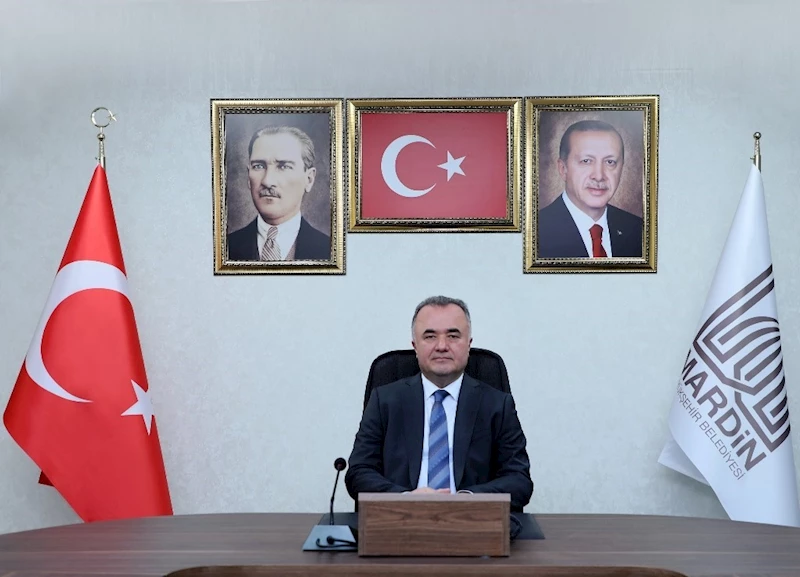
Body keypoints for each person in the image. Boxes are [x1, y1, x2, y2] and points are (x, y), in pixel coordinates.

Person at [345, 296, 533, 512]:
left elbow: (519, 480)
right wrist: (405, 499)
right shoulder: (384, 401)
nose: (442, 346)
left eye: (453, 336)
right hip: (400, 520)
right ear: (415, 346)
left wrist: (466, 500)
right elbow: (359, 473)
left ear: (469, 344)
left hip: (473, 521)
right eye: (430, 336)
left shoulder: (497, 405)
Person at [538, 120, 642, 258]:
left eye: (610, 162)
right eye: (586, 161)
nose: (599, 176)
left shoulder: (638, 230)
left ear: (622, 168)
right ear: (563, 169)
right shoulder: (536, 232)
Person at [227, 125, 331, 261]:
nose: (267, 181)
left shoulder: (329, 250)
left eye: (284, 166)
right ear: (248, 176)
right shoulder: (225, 248)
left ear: (309, 179)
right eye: (258, 166)